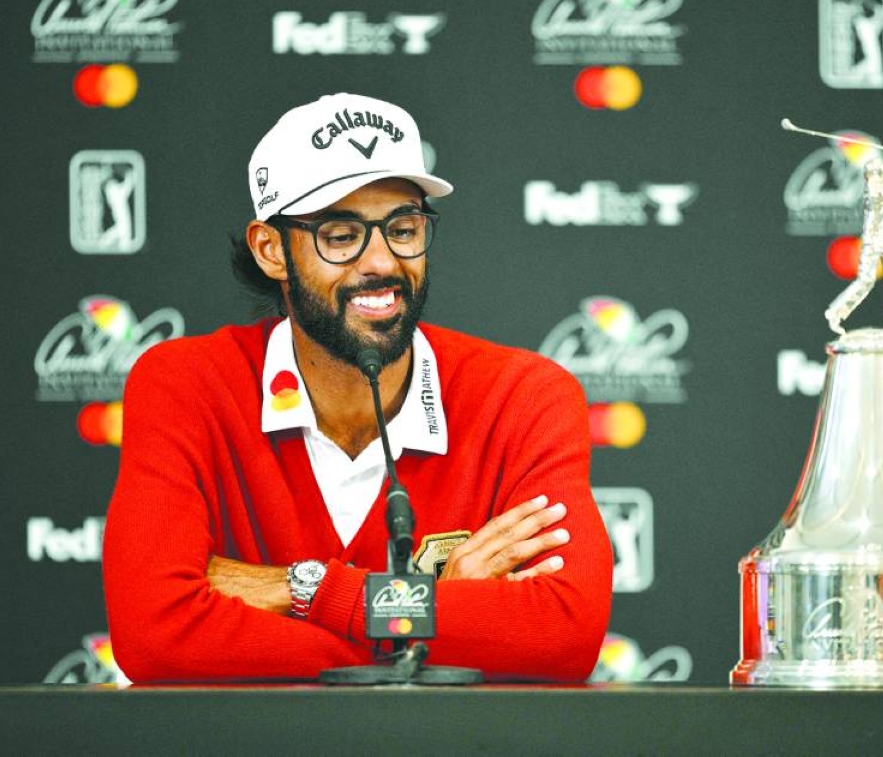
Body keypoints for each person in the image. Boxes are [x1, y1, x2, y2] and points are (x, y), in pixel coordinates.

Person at [103, 93, 613, 682]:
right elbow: (155, 638)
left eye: (402, 228)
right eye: (341, 235)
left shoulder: (525, 396)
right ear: (271, 250)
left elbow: (563, 633)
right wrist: (423, 621)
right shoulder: (184, 385)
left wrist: (310, 591)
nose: (382, 263)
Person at [825, 149, 883, 335]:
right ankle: (835, 313)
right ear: (868, 178)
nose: (877, 178)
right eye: (874, 175)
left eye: (880, 173)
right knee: (866, 281)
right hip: (873, 241)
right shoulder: (875, 194)